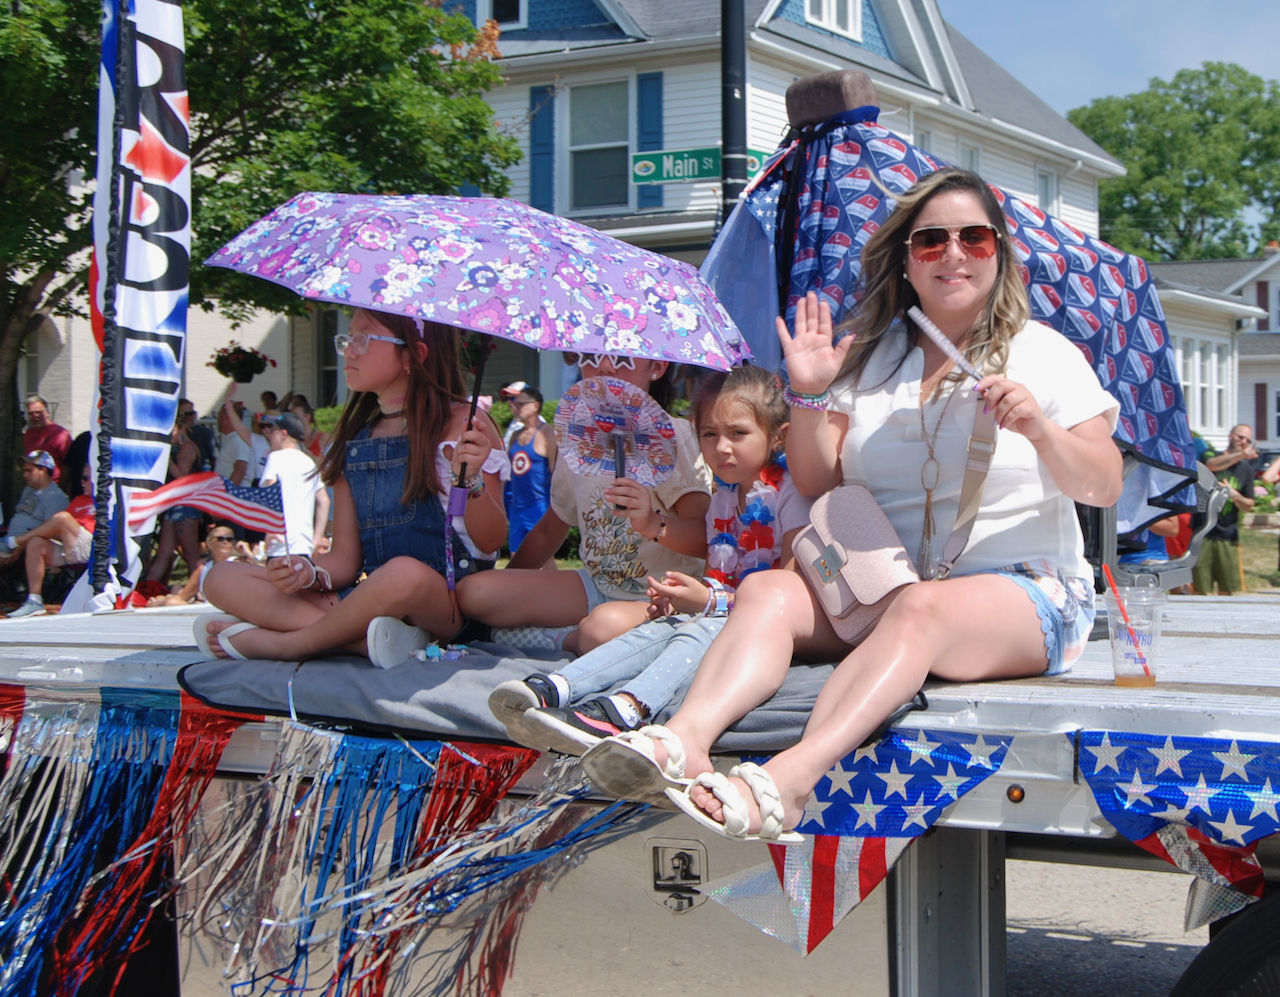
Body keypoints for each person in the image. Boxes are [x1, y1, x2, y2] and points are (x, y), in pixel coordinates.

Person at [582, 168, 1123, 842]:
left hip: (1027, 591)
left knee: (920, 610)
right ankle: (685, 740)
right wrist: (809, 394)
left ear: (999, 250)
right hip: (879, 585)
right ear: (906, 257)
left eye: (974, 238)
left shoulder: (1044, 353)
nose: (953, 254)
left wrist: (1040, 428)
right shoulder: (873, 358)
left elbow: (1102, 485)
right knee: (770, 590)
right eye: (931, 241)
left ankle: (792, 779)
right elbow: (814, 478)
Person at [491, 366, 812, 763]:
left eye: (738, 433)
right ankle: (555, 687)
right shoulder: (725, 499)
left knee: (694, 634)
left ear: (777, 435)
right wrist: (685, 598)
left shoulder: (790, 493)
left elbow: (787, 591)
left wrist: (709, 602)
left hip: (768, 630)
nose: (722, 447)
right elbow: (719, 569)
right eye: (709, 434)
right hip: (725, 611)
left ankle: (628, 708)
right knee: (668, 627)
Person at [197, 309, 508, 665]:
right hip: (370, 600)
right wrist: (307, 571)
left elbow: (490, 542)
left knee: (403, 573)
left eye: (363, 339)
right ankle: (361, 642)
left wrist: (471, 479)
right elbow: (346, 558)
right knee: (220, 577)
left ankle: (292, 643)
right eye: (346, 339)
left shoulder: (464, 425)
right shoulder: (352, 439)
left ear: (414, 355)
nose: (348, 350)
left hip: (445, 606)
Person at [456, 355, 711, 656]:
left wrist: (653, 524)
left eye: (623, 358)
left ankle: (564, 640)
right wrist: (509, 587)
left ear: (657, 368)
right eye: (591, 356)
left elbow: (705, 538)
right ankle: (523, 630)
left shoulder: (674, 436)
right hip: (594, 587)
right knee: (474, 593)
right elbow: (551, 528)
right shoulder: (577, 439)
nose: (604, 367)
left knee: (598, 631)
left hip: (662, 596)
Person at [4, 463, 92, 618]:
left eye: (86, 478)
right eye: (82, 478)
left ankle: (19, 540)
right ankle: (34, 601)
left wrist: (18, 543)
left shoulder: (108, 502)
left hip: (93, 547)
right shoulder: (78, 500)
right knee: (35, 542)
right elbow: (57, 529)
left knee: (62, 518)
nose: (81, 482)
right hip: (70, 545)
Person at [1194, 424, 1257, 595]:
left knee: (1228, 590)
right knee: (1200, 589)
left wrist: (1235, 495)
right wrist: (1241, 455)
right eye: (1240, 437)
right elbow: (1211, 465)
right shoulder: (1210, 454)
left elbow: (1249, 504)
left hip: (1227, 535)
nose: (1243, 442)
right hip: (1202, 533)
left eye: (1247, 440)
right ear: (1230, 436)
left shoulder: (1246, 470)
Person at [258, 411, 330, 558]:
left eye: (273, 431)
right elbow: (324, 501)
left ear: (284, 434)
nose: (269, 435)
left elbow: (272, 493)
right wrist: (316, 540)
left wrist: (272, 531)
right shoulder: (308, 462)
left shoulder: (275, 458)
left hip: (279, 544)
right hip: (303, 543)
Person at [145, 419, 203, 584]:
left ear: (182, 429)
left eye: (173, 431)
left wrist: (167, 460)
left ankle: (198, 591)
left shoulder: (187, 448)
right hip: (174, 504)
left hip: (186, 505)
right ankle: (147, 589)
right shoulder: (179, 449)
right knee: (163, 553)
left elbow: (182, 477)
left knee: (190, 554)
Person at [503, 386, 556, 559]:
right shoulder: (515, 436)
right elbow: (509, 474)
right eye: (514, 404)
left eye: (521, 404)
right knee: (516, 561)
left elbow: (555, 472)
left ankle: (555, 587)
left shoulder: (547, 433)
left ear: (535, 406)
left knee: (543, 561)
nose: (516, 408)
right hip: (517, 507)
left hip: (539, 506)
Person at [147, 522, 244, 607]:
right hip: (208, 610)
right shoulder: (203, 569)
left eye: (229, 539)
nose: (225, 542)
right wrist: (164, 600)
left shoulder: (238, 564)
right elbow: (183, 596)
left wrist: (249, 555)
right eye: (220, 539)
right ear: (210, 543)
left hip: (233, 609)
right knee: (171, 602)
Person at [23, 397, 72, 483]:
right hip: (34, 486)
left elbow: (69, 465)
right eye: (31, 414)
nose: (35, 416)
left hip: (54, 486)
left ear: (47, 413)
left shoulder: (60, 434)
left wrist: (64, 487)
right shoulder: (29, 434)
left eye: (38, 412)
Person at [215, 402, 252, 486]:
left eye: (219, 415)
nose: (218, 419)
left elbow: (241, 469)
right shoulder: (232, 439)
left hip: (236, 495)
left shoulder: (238, 439)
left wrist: (230, 493)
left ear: (226, 417)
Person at [180, 398, 218, 470]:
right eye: (185, 415)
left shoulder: (205, 433)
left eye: (192, 413)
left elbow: (215, 460)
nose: (190, 417)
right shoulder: (172, 435)